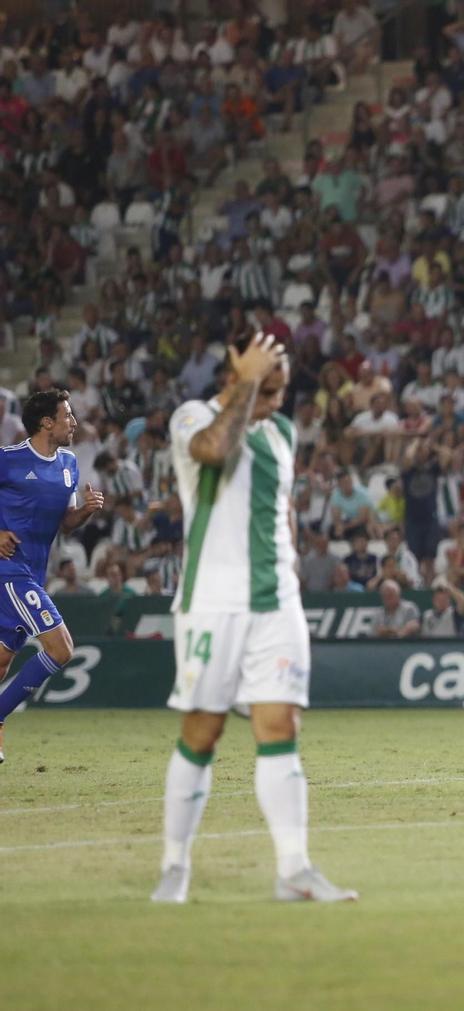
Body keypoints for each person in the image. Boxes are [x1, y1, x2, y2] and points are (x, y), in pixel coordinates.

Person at [156, 333, 356, 904]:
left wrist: (288, 574)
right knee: (204, 732)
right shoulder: (193, 418)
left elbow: (276, 511)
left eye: (281, 389)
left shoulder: (284, 432)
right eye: (266, 388)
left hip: (275, 602)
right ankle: (175, 866)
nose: (276, 400)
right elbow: (216, 452)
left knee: (280, 729)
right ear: (235, 376)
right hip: (212, 603)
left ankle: (293, 869)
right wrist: (247, 384)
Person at [0, 389, 106, 765]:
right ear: (47, 423)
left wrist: (87, 512)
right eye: (67, 415)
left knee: (1, 664)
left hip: (33, 572)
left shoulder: (69, 464)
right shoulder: (8, 460)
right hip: (9, 573)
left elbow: (67, 524)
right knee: (61, 649)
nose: (74, 422)